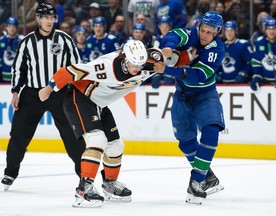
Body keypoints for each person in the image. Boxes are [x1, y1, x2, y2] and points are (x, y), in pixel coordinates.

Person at [38, 40, 165, 207]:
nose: (137, 68)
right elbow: (69, 71)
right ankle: (84, 189)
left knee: (116, 146)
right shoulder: (106, 66)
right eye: (134, 63)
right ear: (125, 57)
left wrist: (164, 66)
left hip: (99, 103)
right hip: (80, 98)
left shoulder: (150, 61)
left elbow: (168, 54)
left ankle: (110, 184)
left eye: (140, 63)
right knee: (97, 140)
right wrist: (47, 90)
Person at [1, 2, 85, 191]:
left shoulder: (64, 39)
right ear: (38, 19)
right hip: (31, 94)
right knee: (18, 135)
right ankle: (10, 172)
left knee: (73, 136)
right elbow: (18, 68)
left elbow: (75, 67)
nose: (49, 21)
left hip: (60, 94)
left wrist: (77, 91)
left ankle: (84, 174)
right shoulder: (27, 41)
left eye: (52, 17)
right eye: (45, 17)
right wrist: (15, 91)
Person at [153, 11, 225, 205]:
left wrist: (166, 69)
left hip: (205, 95)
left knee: (211, 131)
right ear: (199, 26)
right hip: (181, 96)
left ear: (217, 33)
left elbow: (195, 76)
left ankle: (197, 181)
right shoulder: (193, 33)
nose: (204, 35)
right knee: (185, 142)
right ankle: (208, 177)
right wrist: (168, 47)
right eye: (203, 30)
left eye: (210, 32)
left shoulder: (217, 50)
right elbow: (175, 35)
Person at [250, 18, 276, 91]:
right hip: (265, 83)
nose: (271, 31)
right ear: (265, 30)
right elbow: (256, 62)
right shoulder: (259, 42)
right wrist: (257, 76)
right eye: (269, 29)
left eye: (274, 29)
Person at [0, 17, 24, 83]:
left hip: (19, 78)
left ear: (17, 27)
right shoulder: (1, 41)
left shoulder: (22, 40)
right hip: (4, 78)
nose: (11, 28)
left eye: (13, 26)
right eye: (9, 26)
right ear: (6, 27)